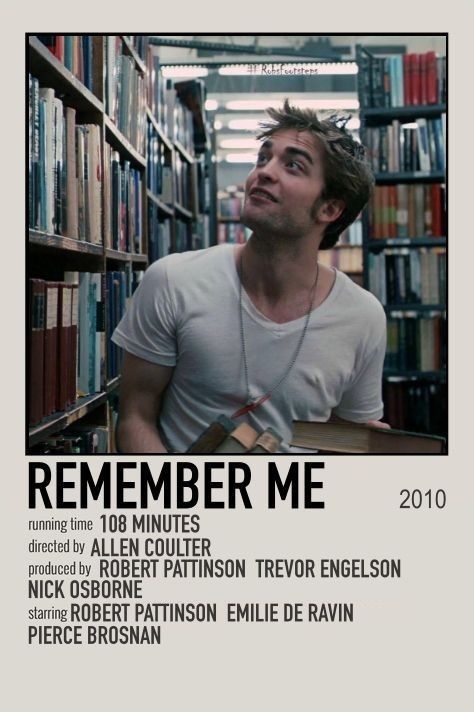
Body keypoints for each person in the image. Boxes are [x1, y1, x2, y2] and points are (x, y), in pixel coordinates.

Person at [112, 99, 388, 454]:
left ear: (330, 208)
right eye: (263, 158)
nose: (264, 172)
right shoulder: (173, 280)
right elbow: (135, 417)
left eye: (293, 165)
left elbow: (346, 437)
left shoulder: (362, 316)